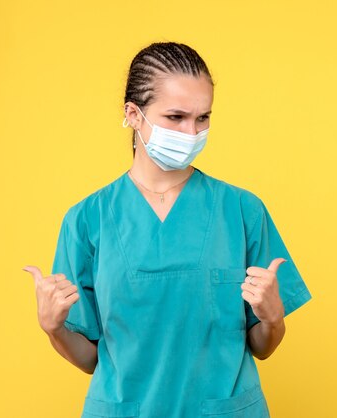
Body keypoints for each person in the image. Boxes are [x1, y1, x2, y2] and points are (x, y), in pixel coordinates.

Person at [22, 41, 312, 418]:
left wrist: (273, 318)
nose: (191, 132)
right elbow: (90, 359)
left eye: (203, 118)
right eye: (176, 117)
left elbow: (263, 346)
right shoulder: (86, 219)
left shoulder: (242, 210)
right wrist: (54, 328)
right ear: (133, 114)